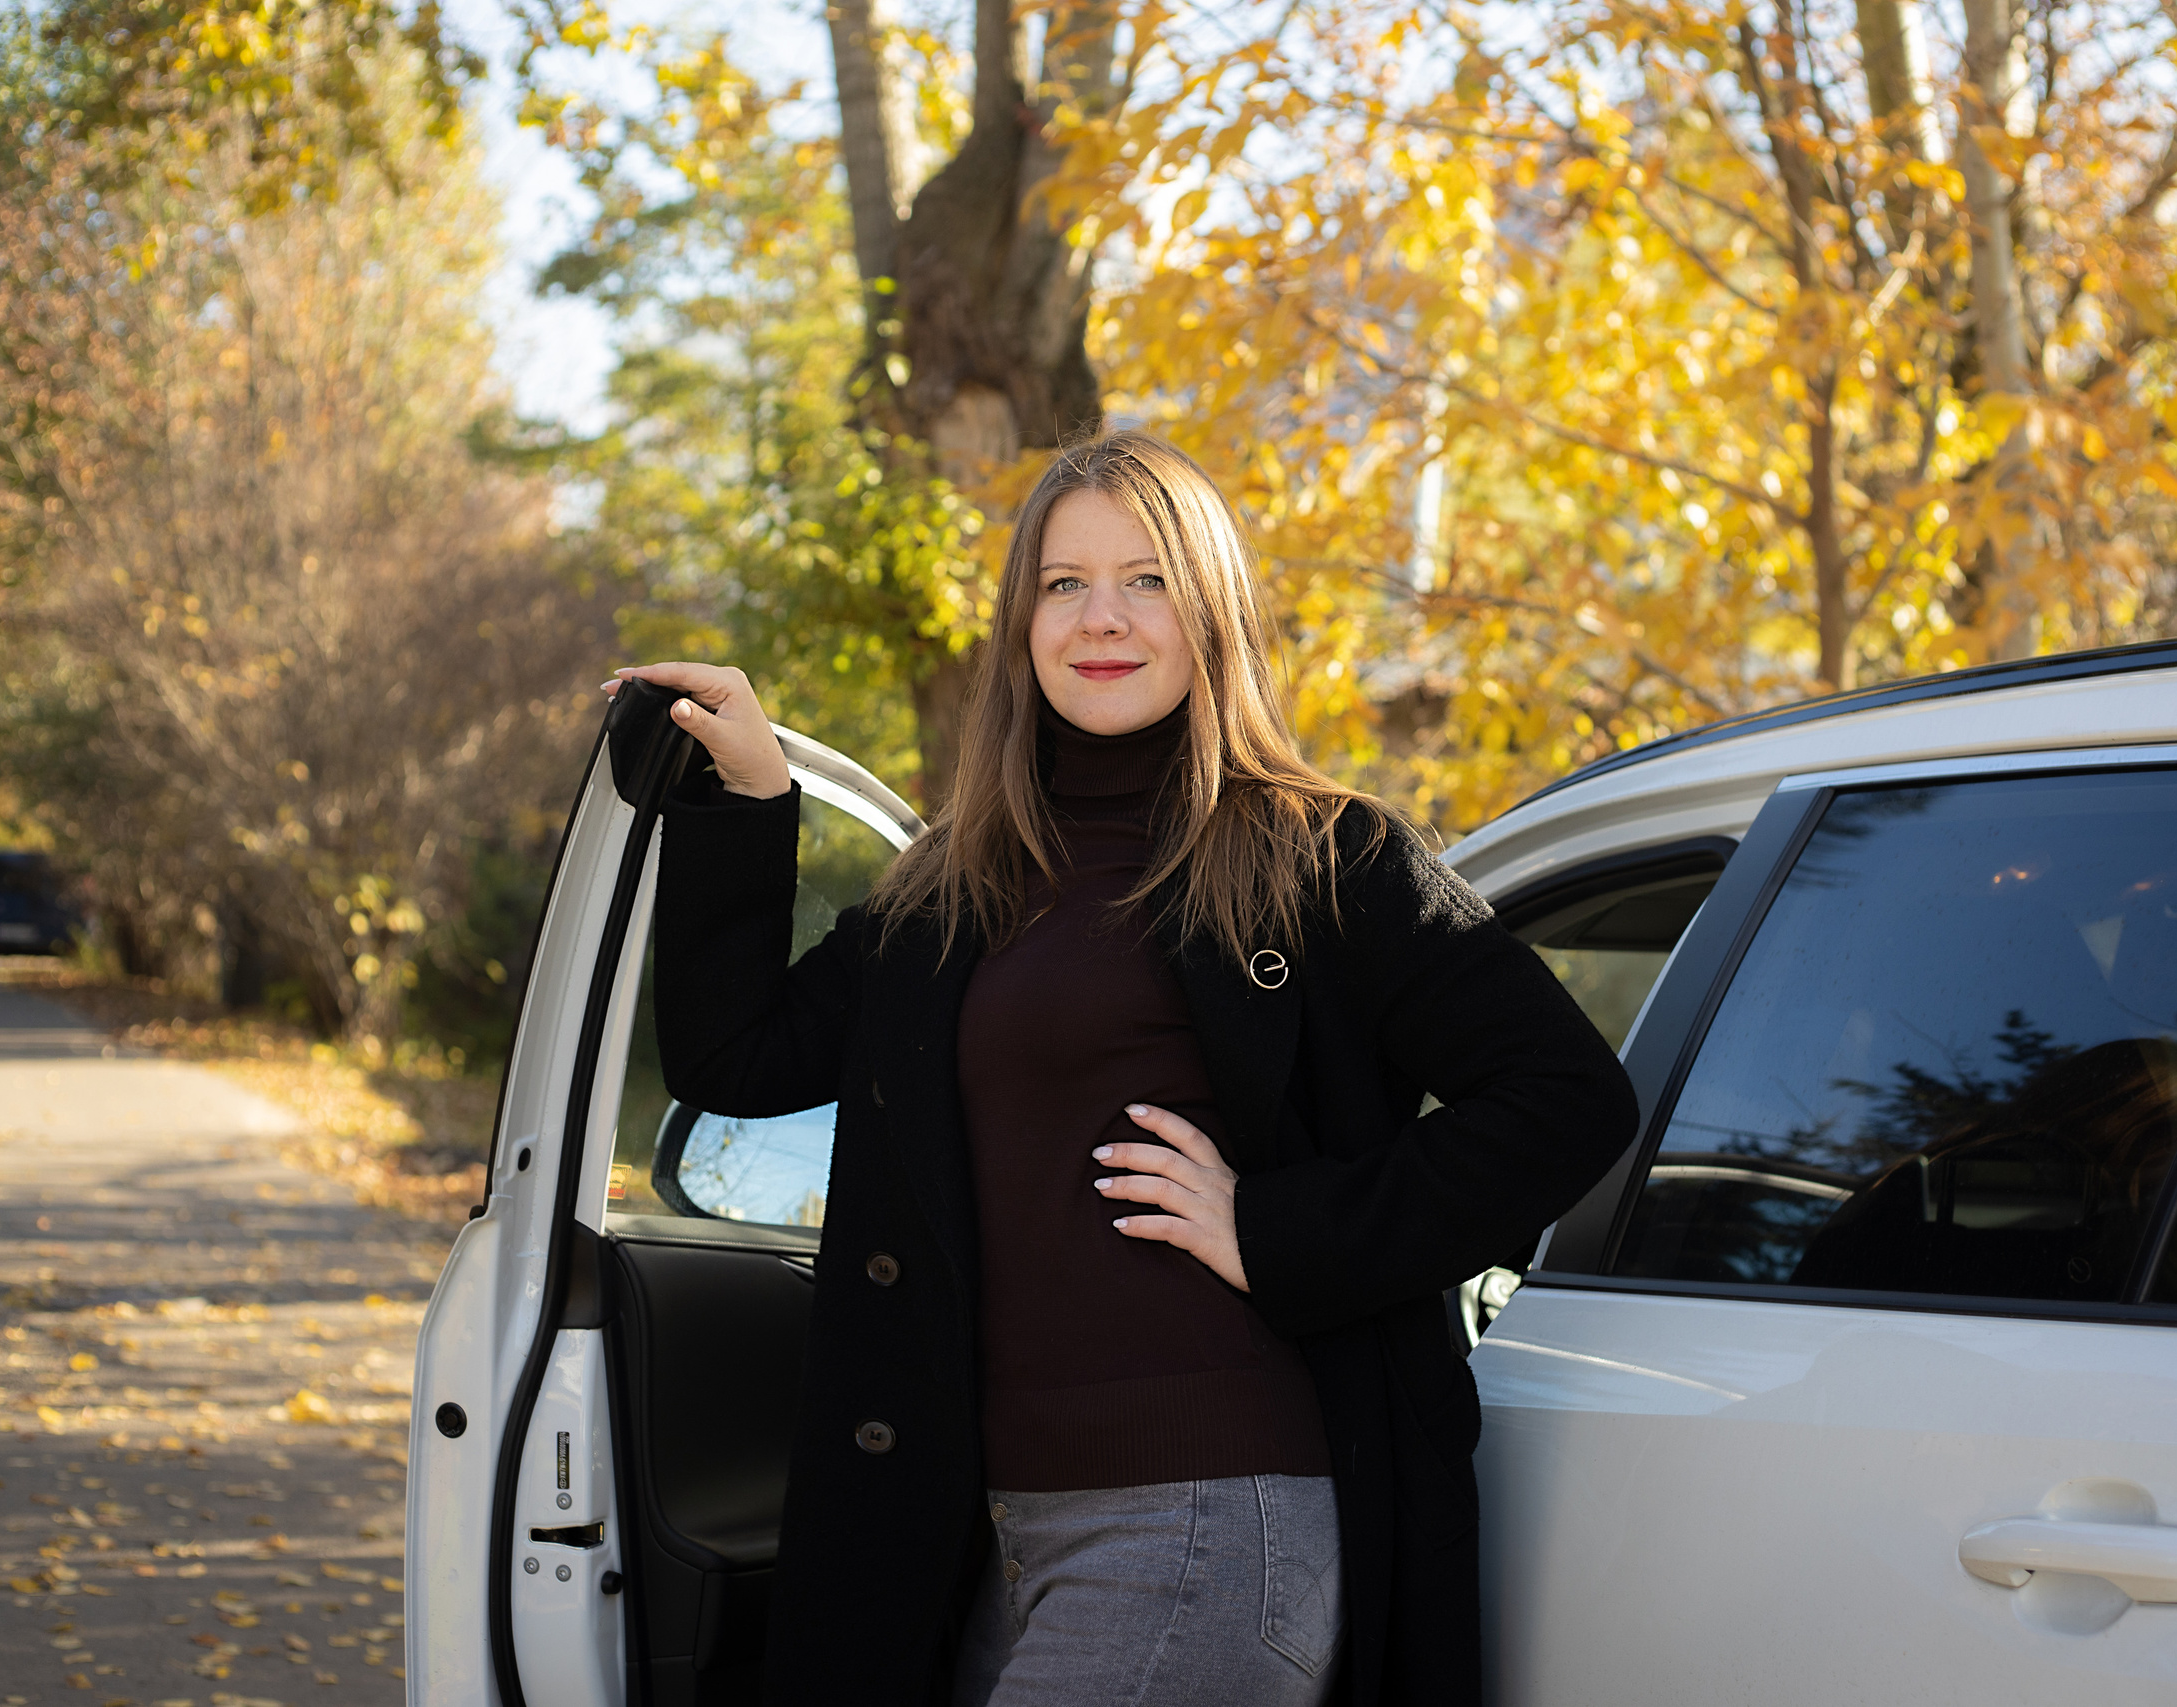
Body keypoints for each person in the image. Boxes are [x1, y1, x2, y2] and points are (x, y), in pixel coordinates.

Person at [612, 430, 1636, 1706]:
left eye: (1148, 579)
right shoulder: (953, 884)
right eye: (1064, 583)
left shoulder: (1325, 856)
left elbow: (1566, 1102)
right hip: (981, 1533)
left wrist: (1273, 1229)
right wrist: (749, 799)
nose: (1102, 617)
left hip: (1208, 1513)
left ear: (1211, 613)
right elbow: (737, 1057)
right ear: (1021, 622)